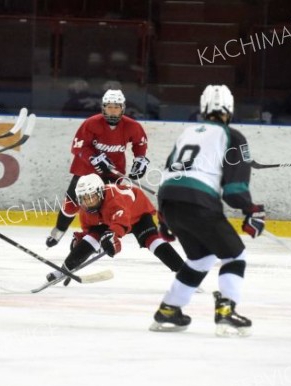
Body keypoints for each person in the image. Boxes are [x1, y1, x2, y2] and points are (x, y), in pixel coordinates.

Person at [149, 85, 266, 337]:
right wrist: (251, 210)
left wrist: (163, 218)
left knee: (201, 259)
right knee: (235, 256)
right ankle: (226, 312)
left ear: (203, 109)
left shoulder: (187, 133)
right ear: (230, 110)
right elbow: (234, 190)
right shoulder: (233, 137)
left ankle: (170, 309)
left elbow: (169, 173)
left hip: (170, 202)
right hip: (198, 203)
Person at [45, 89, 149, 248]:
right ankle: (59, 230)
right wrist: (93, 158)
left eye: (116, 107)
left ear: (123, 108)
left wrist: (140, 159)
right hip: (86, 170)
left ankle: (104, 235)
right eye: (109, 107)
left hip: (113, 172)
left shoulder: (132, 126)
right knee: (72, 202)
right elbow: (77, 147)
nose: (112, 111)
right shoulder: (91, 123)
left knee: (111, 204)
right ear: (103, 107)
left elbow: (140, 143)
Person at [44, 174, 185, 284]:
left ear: (100, 192)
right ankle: (64, 270)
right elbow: (90, 231)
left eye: (92, 197)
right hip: (110, 219)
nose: (89, 202)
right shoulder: (86, 211)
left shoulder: (114, 200)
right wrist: (81, 246)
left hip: (138, 213)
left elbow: (121, 221)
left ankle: (184, 273)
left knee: (153, 241)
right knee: (91, 237)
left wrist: (113, 236)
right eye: (85, 198)